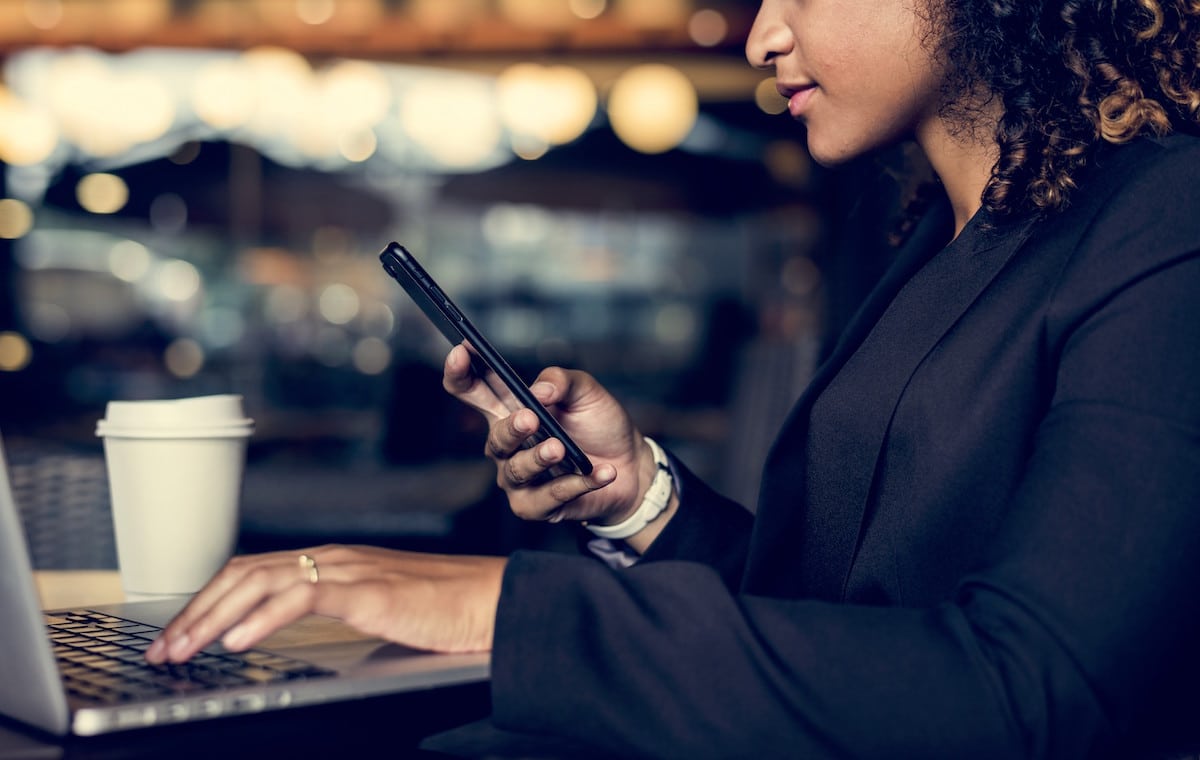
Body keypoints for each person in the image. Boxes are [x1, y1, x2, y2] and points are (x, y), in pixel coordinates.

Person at [145, 0, 1200, 756]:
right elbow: (825, 622)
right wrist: (640, 498)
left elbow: (1039, 695)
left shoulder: (1167, 222)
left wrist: (509, 612)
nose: (761, 35)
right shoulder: (936, 242)